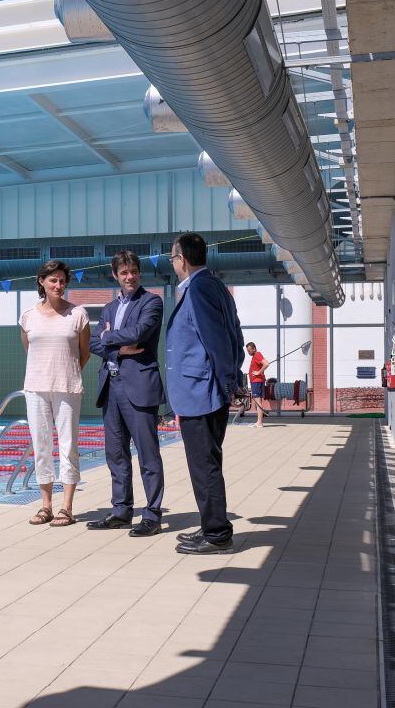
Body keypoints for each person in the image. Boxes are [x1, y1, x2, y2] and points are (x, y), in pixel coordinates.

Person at [165, 232, 244, 555]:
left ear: (181, 258)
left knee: (204, 464)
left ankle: (217, 533)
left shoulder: (198, 289)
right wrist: (233, 376)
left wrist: (227, 382)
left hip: (202, 391)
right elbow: (235, 334)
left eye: (172, 257)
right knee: (207, 461)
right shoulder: (214, 285)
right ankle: (211, 523)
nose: (172, 263)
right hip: (207, 389)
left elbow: (216, 340)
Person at [86, 250, 166, 537]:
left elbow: (140, 332)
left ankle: (152, 514)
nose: (129, 277)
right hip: (111, 386)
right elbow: (93, 344)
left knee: (148, 455)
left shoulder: (151, 302)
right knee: (115, 454)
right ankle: (121, 511)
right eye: (124, 273)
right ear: (115, 275)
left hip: (139, 386)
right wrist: (116, 346)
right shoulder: (108, 309)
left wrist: (108, 337)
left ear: (139, 272)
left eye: (133, 271)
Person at [19, 260, 91, 527]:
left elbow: (84, 352)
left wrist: (67, 371)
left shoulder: (78, 315)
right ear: (42, 282)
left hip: (68, 387)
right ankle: (46, 505)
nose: (58, 285)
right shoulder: (28, 316)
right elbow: (30, 349)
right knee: (41, 447)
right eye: (53, 281)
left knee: (69, 446)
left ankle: (67, 507)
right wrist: (47, 372)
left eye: (62, 281)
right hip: (36, 388)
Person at [245, 342, 270, 428]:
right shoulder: (255, 356)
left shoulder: (257, 354)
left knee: (258, 402)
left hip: (257, 382)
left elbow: (266, 363)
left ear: (254, 348)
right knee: (258, 401)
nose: (248, 352)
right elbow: (261, 366)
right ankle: (259, 421)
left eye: (249, 350)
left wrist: (258, 372)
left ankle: (260, 423)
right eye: (247, 351)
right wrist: (261, 372)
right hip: (256, 381)